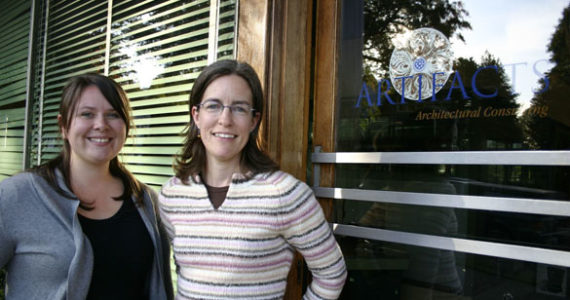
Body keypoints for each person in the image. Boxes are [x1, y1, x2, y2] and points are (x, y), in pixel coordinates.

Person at [158, 60, 347, 299]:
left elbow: (332, 274)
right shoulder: (172, 195)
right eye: (213, 106)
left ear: (254, 120)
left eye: (239, 108)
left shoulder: (285, 194)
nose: (225, 119)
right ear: (196, 115)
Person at [0, 74, 173, 299]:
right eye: (87, 114)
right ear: (63, 126)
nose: (101, 125)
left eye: (113, 115)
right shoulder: (19, 194)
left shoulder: (146, 201)